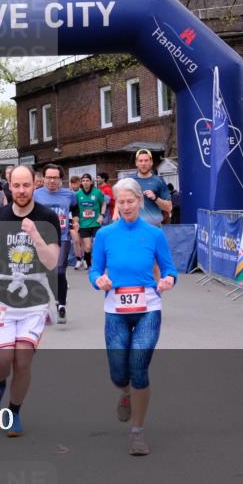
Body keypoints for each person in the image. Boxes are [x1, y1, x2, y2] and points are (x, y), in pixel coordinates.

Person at [90, 178, 176, 456]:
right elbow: (94, 271)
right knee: (118, 372)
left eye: (131, 201)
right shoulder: (105, 235)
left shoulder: (154, 234)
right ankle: (125, 392)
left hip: (148, 308)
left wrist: (168, 281)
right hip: (115, 310)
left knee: (138, 366)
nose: (126, 206)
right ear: (117, 203)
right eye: (122, 202)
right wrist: (99, 281)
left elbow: (169, 268)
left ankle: (137, 432)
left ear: (140, 201)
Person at [0, 166, 59, 437]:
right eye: (17, 186)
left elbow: (51, 262)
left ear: (34, 185)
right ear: (8, 187)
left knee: (22, 360)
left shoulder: (46, 218)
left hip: (33, 299)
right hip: (0, 297)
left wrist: (35, 235)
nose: (22, 191)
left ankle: (13, 411)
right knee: (3, 358)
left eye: (27, 185)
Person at [34, 164, 79, 324]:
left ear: (60, 179)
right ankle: (43, 307)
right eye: (48, 177)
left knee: (59, 272)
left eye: (55, 178)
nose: (52, 181)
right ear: (44, 178)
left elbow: (75, 208)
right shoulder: (36, 194)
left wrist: (75, 220)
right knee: (45, 274)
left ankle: (61, 304)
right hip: (42, 239)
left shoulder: (69, 194)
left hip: (63, 238)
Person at [131, 149, 172, 226]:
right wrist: (116, 213)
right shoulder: (129, 181)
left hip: (154, 227)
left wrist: (155, 198)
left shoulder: (159, 181)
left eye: (146, 160)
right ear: (136, 163)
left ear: (151, 163)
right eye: (140, 161)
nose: (143, 163)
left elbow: (169, 208)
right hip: (135, 227)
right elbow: (119, 200)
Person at [75, 174, 105, 270]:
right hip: (84, 224)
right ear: (81, 182)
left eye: (87, 180)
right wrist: (76, 221)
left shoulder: (97, 192)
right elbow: (74, 208)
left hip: (95, 223)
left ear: (91, 182)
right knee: (87, 247)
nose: (85, 182)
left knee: (97, 245)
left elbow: (104, 203)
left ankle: (97, 264)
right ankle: (89, 265)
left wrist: (101, 215)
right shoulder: (78, 194)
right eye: (83, 180)